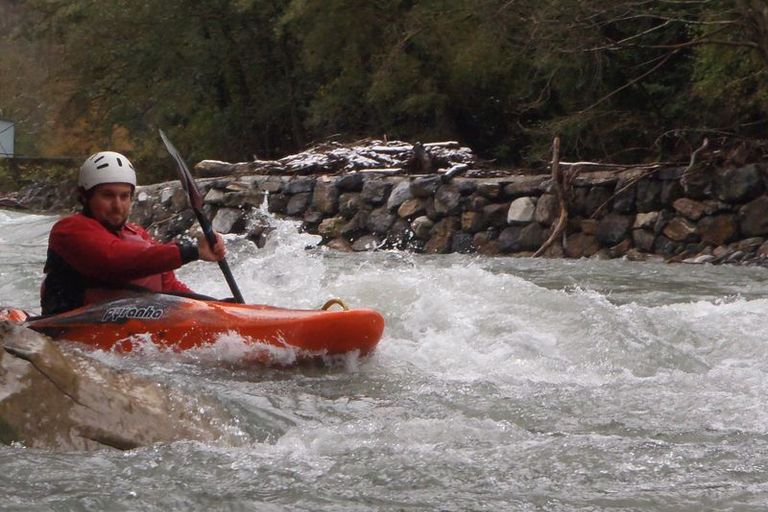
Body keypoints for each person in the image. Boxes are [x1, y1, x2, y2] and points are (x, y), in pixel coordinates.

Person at [41, 150, 226, 314]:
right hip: (76, 328)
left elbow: (169, 287)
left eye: (124, 196)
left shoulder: (137, 234)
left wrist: (215, 309)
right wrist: (191, 251)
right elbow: (116, 260)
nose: (118, 206)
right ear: (85, 197)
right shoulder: (68, 231)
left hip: (141, 326)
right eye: (108, 195)